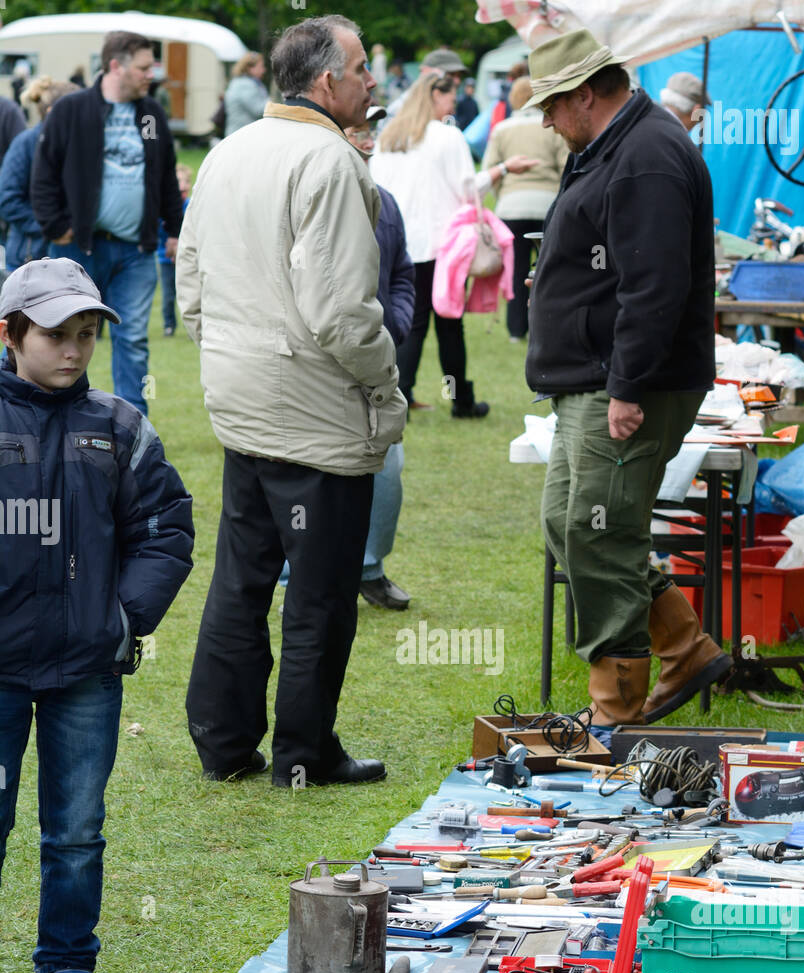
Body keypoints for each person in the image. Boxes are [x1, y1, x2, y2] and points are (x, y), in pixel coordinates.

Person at [177, 15, 406, 788]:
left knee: (241, 579)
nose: (372, 82)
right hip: (313, 413)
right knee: (318, 594)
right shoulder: (330, 161)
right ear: (326, 81)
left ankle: (222, 739)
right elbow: (342, 309)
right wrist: (385, 385)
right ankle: (304, 753)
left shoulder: (228, 151)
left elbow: (192, 281)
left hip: (244, 397)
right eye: (363, 68)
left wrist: (226, 353)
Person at [0, 257, 193, 973]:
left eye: (86, 334)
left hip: (87, 670)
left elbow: (166, 530)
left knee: (77, 830)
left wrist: (123, 618)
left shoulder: (118, 427)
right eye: (55, 335)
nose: (74, 350)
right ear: (9, 335)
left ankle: (70, 965)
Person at [524, 29, 729, 732]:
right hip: (593, 378)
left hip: (625, 383)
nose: (546, 120)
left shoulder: (645, 155)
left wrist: (628, 388)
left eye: (552, 105)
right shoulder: (617, 145)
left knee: (599, 530)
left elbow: (654, 286)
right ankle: (684, 646)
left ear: (585, 93)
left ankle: (616, 705)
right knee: (569, 523)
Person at [29, 29, 183, 415]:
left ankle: (134, 431)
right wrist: (55, 226)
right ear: (116, 65)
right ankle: (35, 416)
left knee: (132, 340)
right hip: (76, 249)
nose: (152, 74)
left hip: (135, 252)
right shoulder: (71, 110)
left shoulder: (150, 114)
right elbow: (43, 174)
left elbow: (165, 176)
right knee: (53, 336)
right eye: (145, 67)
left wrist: (175, 230)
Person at [371, 72, 536, 417]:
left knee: (409, 324)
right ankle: (459, 399)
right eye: (450, 97)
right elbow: (467, 190)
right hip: (443, 245)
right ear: (434, 96)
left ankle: (401, 393)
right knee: (449, 326)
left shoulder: (390, 137)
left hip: (400, 243)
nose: (454, 103)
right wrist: (500, 171)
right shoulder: (447, 137)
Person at [345, 103, 415, 610]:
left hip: (379, 361)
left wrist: (398, 324)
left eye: (370, 128)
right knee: (305, 473)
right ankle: (292, 575)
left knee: (388, 465)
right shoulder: (306, 200)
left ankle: (369, 568)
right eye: (354, 128)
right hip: (318, 365)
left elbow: (404, 274)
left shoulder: (385, 203)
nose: (366, 138)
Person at [483, 75, 567, 341]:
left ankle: (516, 329)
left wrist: (504, 195)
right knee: (550, 269)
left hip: (511, 207)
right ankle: (547, 325)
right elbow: (565, 166)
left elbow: (490, 169)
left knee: (517, 269)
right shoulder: (551, 127)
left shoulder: (501, 129)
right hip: (547, 205)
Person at [0, 79, 77, 272]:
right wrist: (51, 227)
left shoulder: (80, 147)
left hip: (72, 258)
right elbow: (7, 199)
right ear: (52, 112)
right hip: (27, 259)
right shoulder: (25, 144)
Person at [157, 162, 193, 335]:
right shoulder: (163, 207)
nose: (182, 186)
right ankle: (169, 325)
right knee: (168, 295)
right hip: (166, 259)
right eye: (178, 181)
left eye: (185, 182)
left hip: (187, 257)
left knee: (190, 293)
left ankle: (191, 326)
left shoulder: (192, 206)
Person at [224, 51, 268, 137]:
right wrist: (274, 102)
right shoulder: (246, 85)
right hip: (242, 135)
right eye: (261, 66)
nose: (264, 70)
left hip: (239, 133)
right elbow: (258, 110)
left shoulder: (239, 82)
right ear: (250, 68)